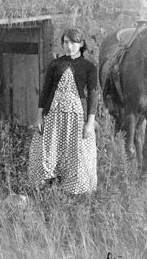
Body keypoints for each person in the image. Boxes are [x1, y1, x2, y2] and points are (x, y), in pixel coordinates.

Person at [28, 28, 99, 195]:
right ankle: (46, 190)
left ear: (81, 44)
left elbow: (94, 94)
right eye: (66, 42)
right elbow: (45, 91)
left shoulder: (89, 67)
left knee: (76, 155)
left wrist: (89, 122)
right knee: (47, 152)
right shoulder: (55, 64)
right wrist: (39, 117)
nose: (69, 46)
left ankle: (73, 194)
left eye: (73, 42)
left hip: (77, 118)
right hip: (53, 116)